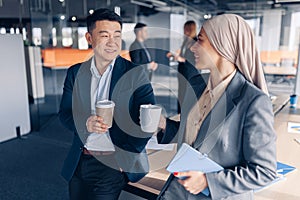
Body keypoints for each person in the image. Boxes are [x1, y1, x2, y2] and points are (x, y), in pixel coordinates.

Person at [157, 14, 277, 200]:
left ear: (223, 46)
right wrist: (164, 124)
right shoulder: (197, 85)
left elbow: (264, 171)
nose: (192, 47)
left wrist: (208, 180)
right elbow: (195, 138)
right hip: (176, 193)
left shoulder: (253, 101)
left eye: (200, 41)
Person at [59, 8, 155, 200]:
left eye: (117, 35)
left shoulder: (134, 73)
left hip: (113, 162)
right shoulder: (75, 73)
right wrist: (85, 123)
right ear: (89, 38)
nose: (112, 42)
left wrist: (125, 158)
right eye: (104, 35)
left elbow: (148, 122)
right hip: (80, 160)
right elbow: (65, 114)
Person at [167, 20, 199, 113]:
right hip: (182, 72)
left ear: (191, 30)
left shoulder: (196, 42)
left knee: (189, 95)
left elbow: (194, 59)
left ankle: (188, 116)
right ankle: (180, 115)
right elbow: (183, 56)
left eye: (186, 29)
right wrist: (174, 56)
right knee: (181, 94)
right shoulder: (186, 41)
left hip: (190, 73)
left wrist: (181, 59)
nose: (184, 32)